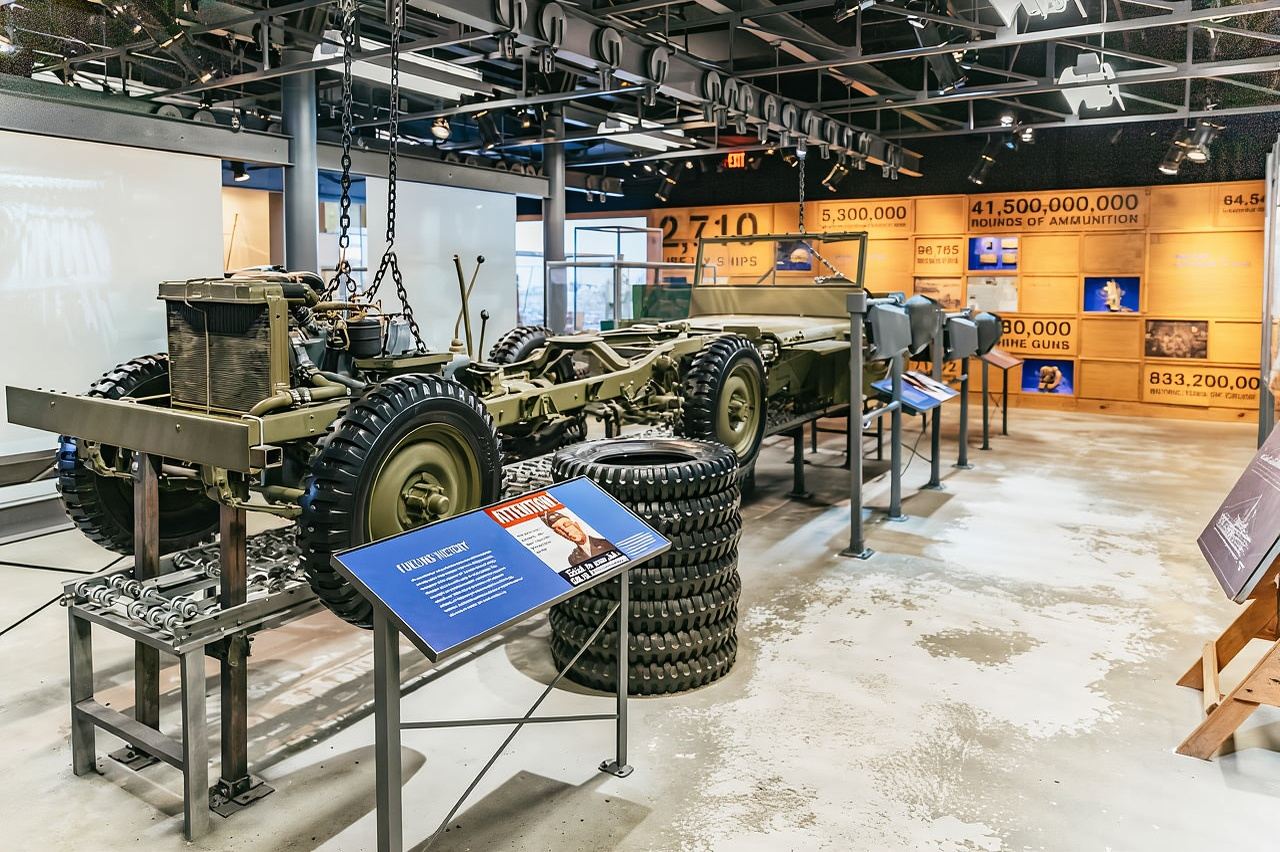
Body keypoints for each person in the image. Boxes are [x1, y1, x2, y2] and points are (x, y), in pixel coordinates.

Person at [542, 510, 613, 567]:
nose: (566, 531)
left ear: (576, 524)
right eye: (559, 529)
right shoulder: (573, 559)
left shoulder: (607, 543)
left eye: (566, 525)